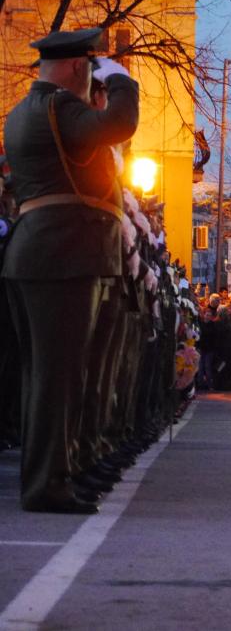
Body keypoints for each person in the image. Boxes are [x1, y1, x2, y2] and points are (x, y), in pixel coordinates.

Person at [2, 29, 139, 513]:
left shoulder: (26, 110)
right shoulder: (58, 108)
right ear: (81, 68)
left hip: (42, 251)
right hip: (60, 253)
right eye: (93, 70)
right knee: (56, 379)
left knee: (48, 377)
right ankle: (46, 486)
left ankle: (53, 477)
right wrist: (123, 81)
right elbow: (119, 124)